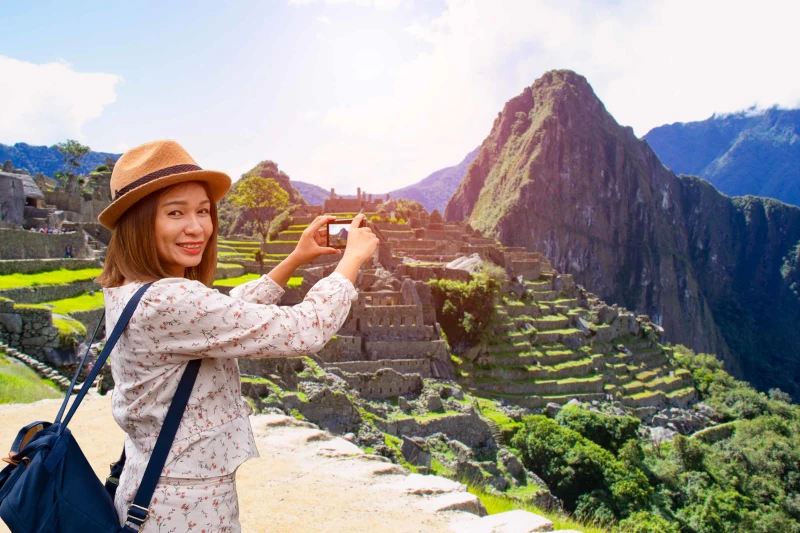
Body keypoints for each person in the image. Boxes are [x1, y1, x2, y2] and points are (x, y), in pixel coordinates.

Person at [93, 140, 379, 532]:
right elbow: (305, 329)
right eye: (175, 213)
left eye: (203, 211)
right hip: (184, 506)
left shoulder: (135, 287)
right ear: (139, 221)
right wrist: (351, 262)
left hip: (152, 484)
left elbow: (218, 315)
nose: (197, 227)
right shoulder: (169, 299)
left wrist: (294, 259)